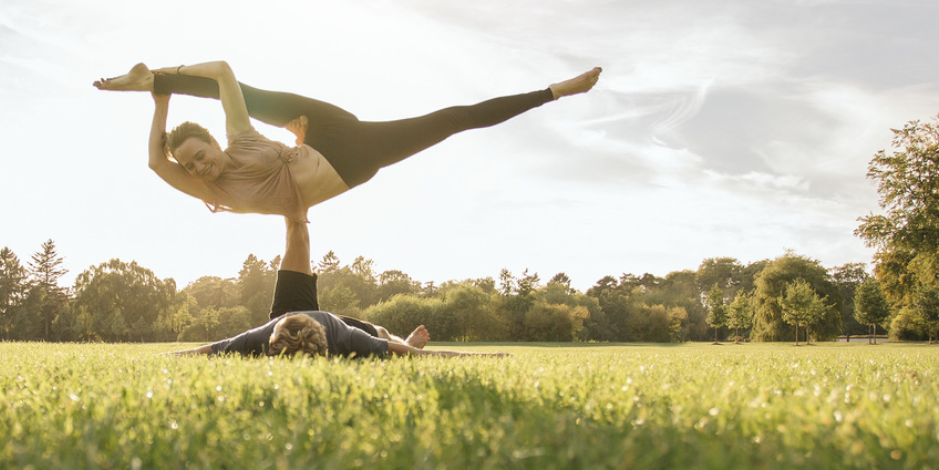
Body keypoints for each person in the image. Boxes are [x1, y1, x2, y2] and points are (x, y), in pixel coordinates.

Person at [95, 60, 601, 221]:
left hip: (329, 132)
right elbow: (156, 164)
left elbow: (225, 72)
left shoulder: (240, 143)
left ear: (213, 144)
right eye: (192, 166)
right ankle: (152, 80)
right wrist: (158, 105)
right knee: (451, 121)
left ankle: (555, 91)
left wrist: (166, 82)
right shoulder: (211, 192)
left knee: (454, 118)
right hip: (355, 163)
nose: (200, 168)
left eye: (201, 156)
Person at [165, 218, 505, 358]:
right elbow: (205, 350)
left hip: (333, 323)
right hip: (289, 315)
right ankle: (294, 205)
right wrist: (168, 356)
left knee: (385, 334)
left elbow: (421, 358)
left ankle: (403, 337)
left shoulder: (344, 337)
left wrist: (481, 355)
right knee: (297, 237)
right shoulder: (263, 335)